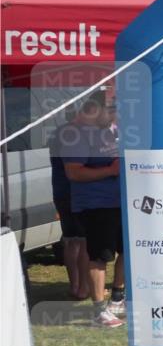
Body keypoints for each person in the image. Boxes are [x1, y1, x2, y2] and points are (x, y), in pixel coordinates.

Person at [63, 92, 125, 328]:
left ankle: (117, 298)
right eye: (110, 108)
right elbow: (73, 172)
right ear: (94, 109)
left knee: (128, 250)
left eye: (116, 108)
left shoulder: (115, 131)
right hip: (96, 204)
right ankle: (99, 311)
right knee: (100, 256)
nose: (115, 112)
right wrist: (110, 170)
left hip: (121, 202)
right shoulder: (77, 135)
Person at [49, 108, 90, 300]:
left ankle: (74, 286)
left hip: (61, 191)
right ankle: (84, 288)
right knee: (83, 242)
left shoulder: (58, 133)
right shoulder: (77, 135)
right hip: (77, 192)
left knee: (71, 241)